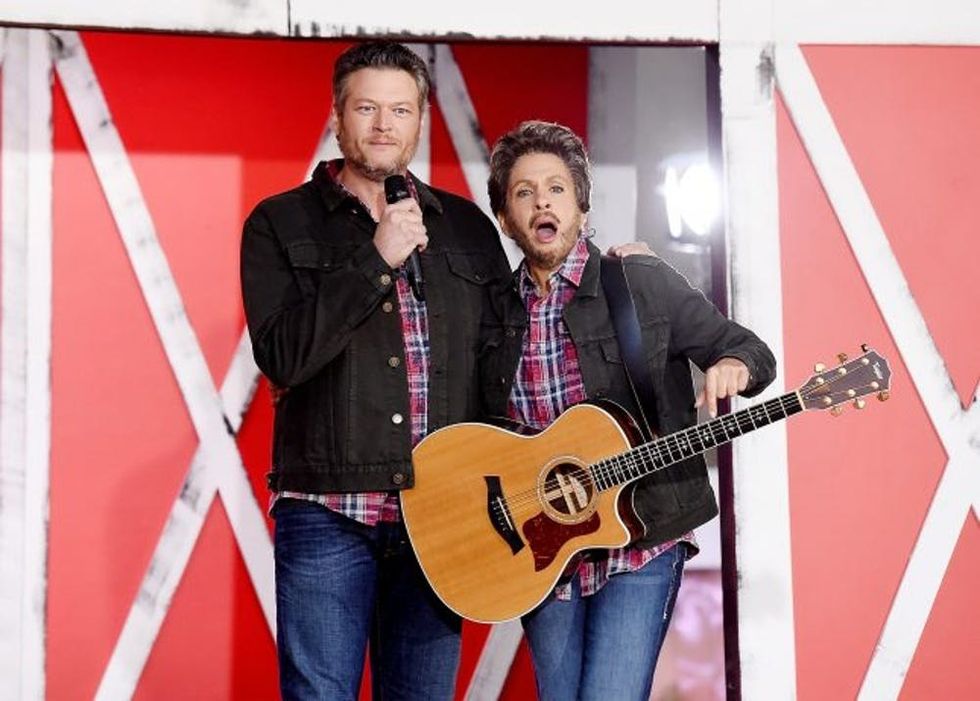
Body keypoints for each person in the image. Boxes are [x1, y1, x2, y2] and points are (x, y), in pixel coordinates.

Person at [239, 42, 512, 700]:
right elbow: (281, 355)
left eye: (400, 109)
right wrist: (375, 257)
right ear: (338, 118)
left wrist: (608, 268)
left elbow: (503, 363)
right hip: (328, 509)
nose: (384, 124)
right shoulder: (280, 223)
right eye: (367, 107)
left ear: (420, 120)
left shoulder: (469, 229)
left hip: (443, 515)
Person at [480, 121, 776, 700]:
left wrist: (735, 367)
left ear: (582, 207)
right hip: (543, 547)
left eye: (557, 188)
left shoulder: (638, 281)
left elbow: (747, 348)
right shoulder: (492, 311)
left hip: (640, 538)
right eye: (524, 192)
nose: (543, 200)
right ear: (506, 219)